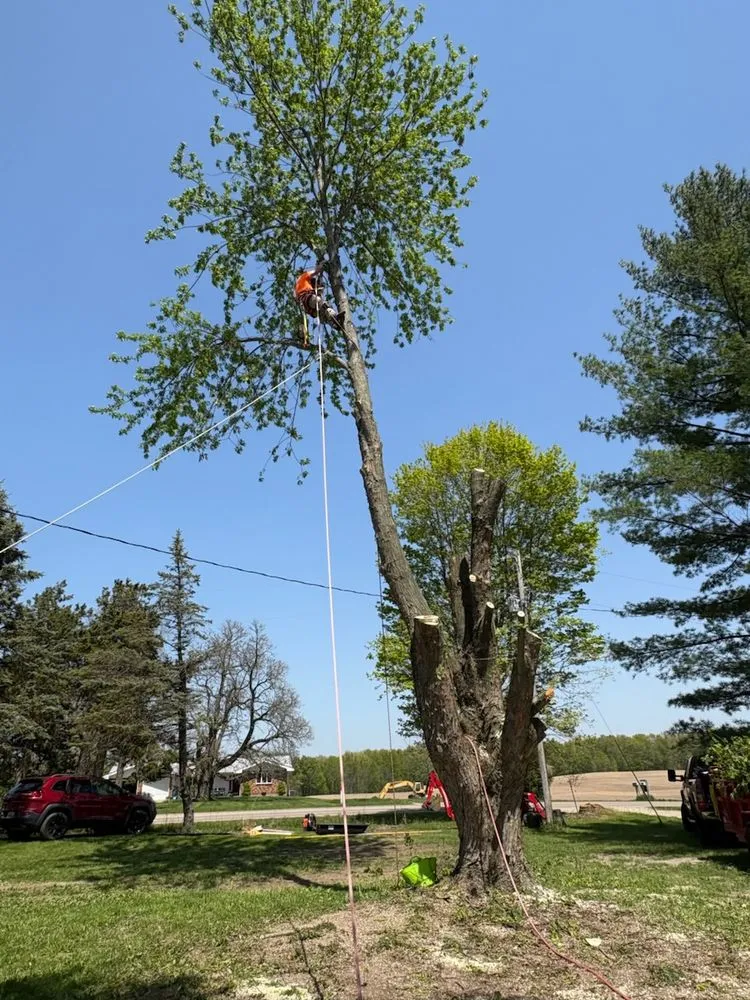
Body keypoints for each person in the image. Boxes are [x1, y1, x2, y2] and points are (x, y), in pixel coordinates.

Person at [294, 261, 346, 345]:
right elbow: (316, 271)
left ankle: (335, 324)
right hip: (307, 298)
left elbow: (319, 289)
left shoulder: (297, 287)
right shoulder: (303, 276)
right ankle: (335, 319)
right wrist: (321, 265)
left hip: (308, 307)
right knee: (319, 301)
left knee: (323, 314)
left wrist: (319, 285)